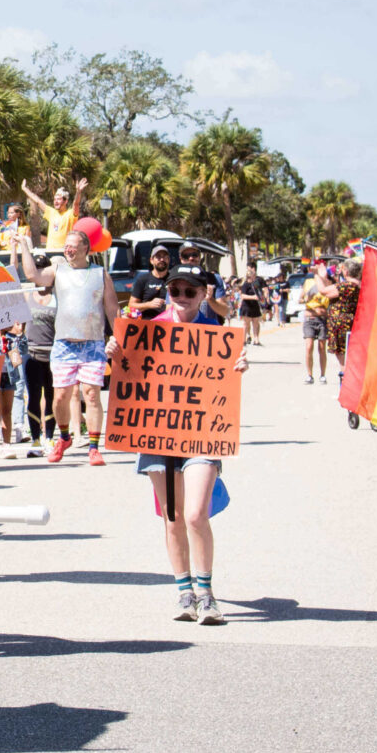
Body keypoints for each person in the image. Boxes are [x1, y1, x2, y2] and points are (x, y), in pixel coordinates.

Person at [141, 267, 239, 624]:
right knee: (173, 517)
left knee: (197, 513)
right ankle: (184, 592)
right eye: (175, 290)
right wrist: (116, 352)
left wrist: (238, 365)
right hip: (156, 432)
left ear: (202, 295)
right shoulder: (149, 330)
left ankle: (206, 593)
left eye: (189, 291)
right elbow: (130, 372)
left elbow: (225, 378)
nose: (181, 296)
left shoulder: (215, 332)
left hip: (202, 432)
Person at [12, 226, 119, 466]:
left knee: (91, 394)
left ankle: (93, 446)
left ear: (85, 248)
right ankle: (64, 437)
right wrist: (24, 247)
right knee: (60, 397)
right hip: (63, 344)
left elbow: (112, 308)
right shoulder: (58, 269)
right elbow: (33, 277)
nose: (68, 249)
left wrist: (117, 336)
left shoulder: (100, 274)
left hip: (92, 344)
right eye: (66, 246)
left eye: (73, 245)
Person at [19, 280, 57, 457]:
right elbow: (17, 325)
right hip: (31, 352)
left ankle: (49, 437)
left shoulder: (58, 297)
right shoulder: (28, 295)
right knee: (33, 395)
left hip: (52, 352)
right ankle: (35, 439)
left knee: (52, 396)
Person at [20, 178, 87, 252]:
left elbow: (76, 204)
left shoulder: (70, 214)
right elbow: (37, 201)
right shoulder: (51, 212)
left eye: (59, 199)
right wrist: (25, 189)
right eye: (55, 199)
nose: (56, 202)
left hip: (64, 251)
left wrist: (78, 192)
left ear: (65, 201)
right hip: (50, 251)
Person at [301, 269, 336, 385]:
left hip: (322, 320)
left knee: (322, 348)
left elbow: (332, 305)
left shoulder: (329, 286)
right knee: (309, 346)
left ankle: (322, 375)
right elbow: (300, 299)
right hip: (309, 319)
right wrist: (306, 299)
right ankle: (309, 375)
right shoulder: (309, 284)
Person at [125, 244, 177, 322]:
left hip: (168, 323)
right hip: (147, 323)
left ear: (168, 260)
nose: (162, 259)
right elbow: (130, 307)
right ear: (151, 260)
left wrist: (171, 306)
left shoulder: (174, 280)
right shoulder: (143, 279)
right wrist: (149, 304)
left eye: (164, 257)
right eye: (158, 257)